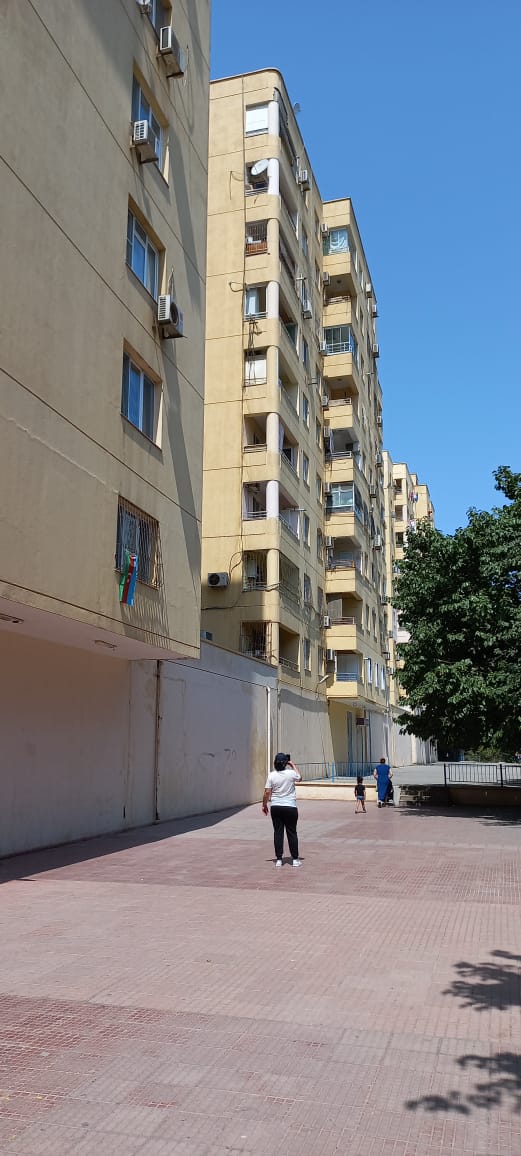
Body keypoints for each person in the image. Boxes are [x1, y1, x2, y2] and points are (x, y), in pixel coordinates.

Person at [262, 753, 302, 866]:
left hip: (276, 807)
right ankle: (295, 860)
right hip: (290, 807)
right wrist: (292, 765)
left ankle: (279, 860)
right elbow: (300, 778)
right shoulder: (291, 773)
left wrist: (264, 805)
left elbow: (267, 792)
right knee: (292, 832)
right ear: (285, 763)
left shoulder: (271, 775)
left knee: (278, 832)